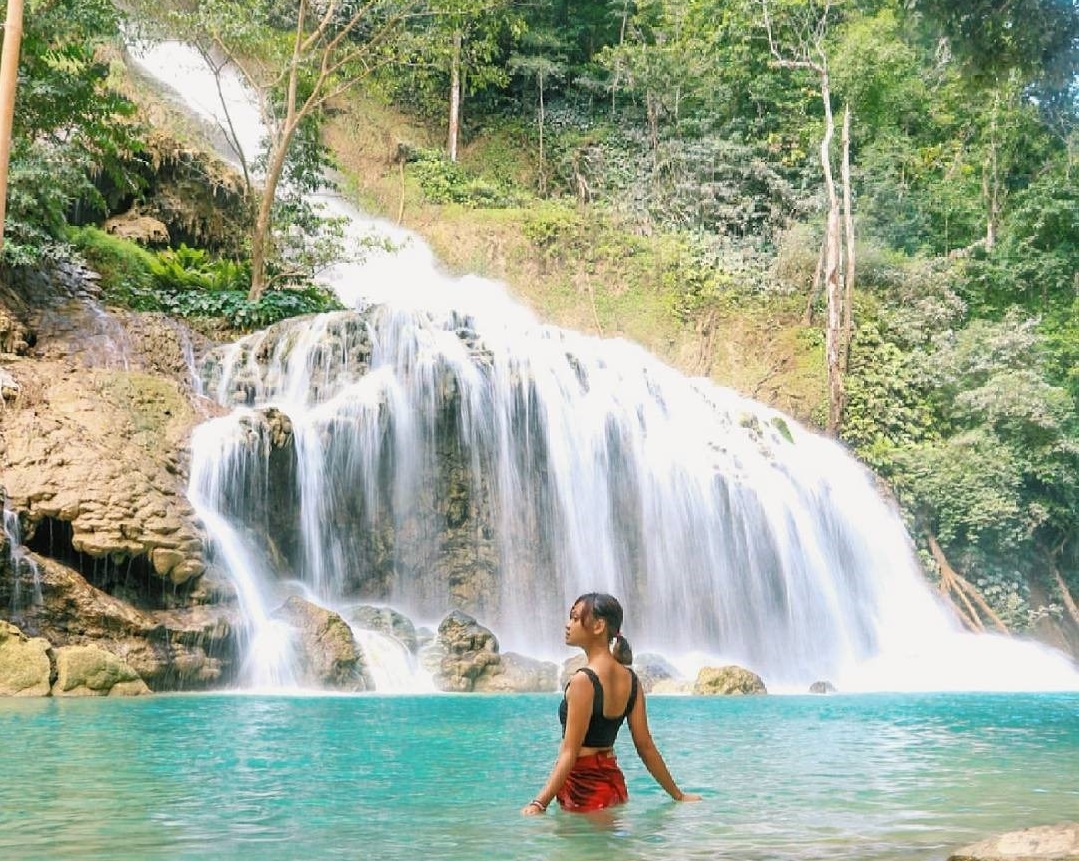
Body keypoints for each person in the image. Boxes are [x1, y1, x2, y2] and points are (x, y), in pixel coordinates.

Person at [521, 592, 701, 815]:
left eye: (575, 618)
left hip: (583, 790)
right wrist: (678, 795)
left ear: (598, 626)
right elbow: (645, 746)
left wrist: (539, 803)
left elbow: (570, 752)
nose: (568, 625)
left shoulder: (583, 681)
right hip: (614, 786)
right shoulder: (631, 680)